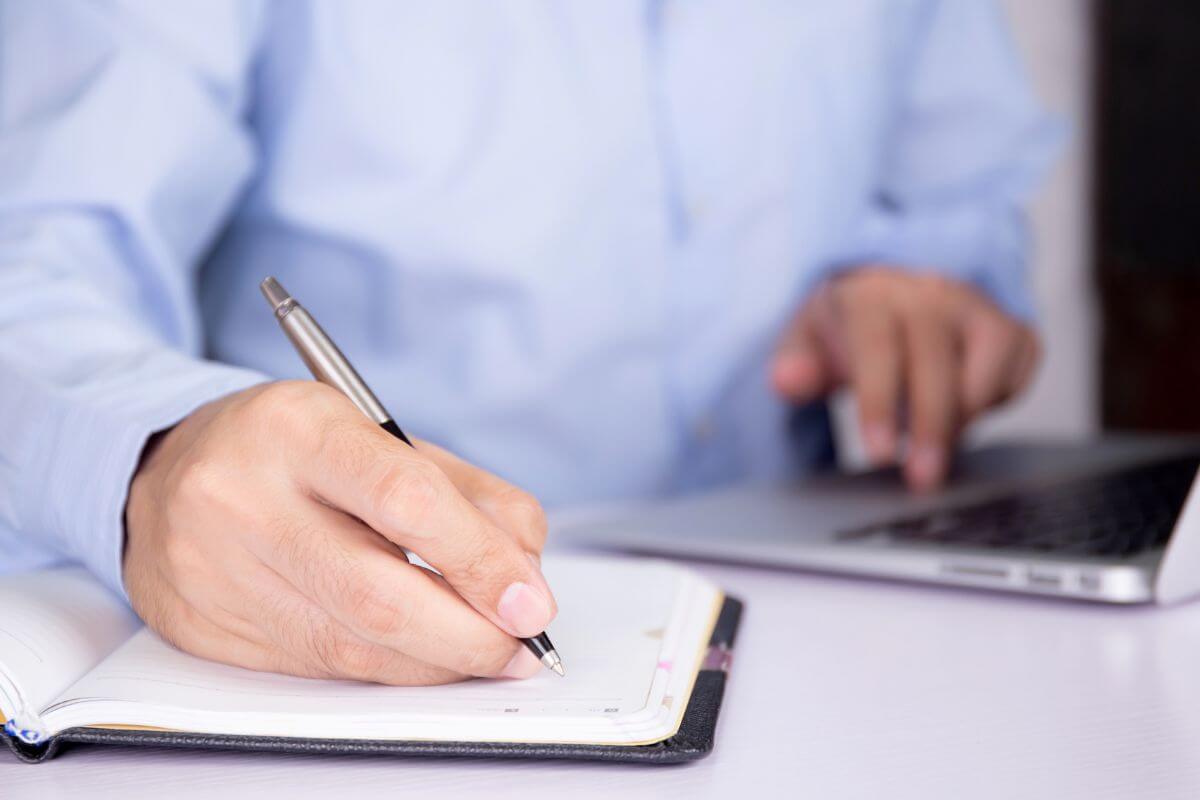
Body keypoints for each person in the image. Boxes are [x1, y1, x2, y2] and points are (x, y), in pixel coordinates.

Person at [0, 1, 1056, 685]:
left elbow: (961, 201)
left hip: (856, 635)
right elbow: (31, 259)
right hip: (356, 648)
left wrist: (922, 294)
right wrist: (155, 459)